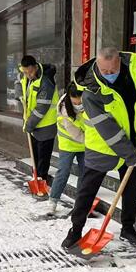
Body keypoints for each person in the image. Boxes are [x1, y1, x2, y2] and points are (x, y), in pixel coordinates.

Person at [61, 47, 136, 249]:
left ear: (119, 61)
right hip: (102, 146)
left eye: (113, 71)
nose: (109, 75)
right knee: (87, 191)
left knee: (130, 189)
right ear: (97, 66)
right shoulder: (90, 90)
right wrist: (129, 153)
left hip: (133, 140)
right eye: (105, 72)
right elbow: (107, 128)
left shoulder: (133, 65)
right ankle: (75, 230)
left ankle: (128, 228)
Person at [20, 55, 59, 189]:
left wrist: (29, 124)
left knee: (43, 155)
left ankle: (42, 179)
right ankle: (35, 176)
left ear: (36, 67)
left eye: (30, 72)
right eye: (25, 72)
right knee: (35, 153)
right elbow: (20, 84)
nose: (28, 75)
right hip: (33, 123)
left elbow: (41, 108)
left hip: (46, 125)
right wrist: (19, 95)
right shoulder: (27, 76)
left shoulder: (46, 82)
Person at [48, 82, 85, 215]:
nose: (78, 105)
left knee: (85, 173)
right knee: (63, 172)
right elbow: (76, 133)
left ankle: (80, 203)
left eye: (80, 102)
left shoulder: (89, 102)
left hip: (85, 143)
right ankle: (53, 201)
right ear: (69, 97)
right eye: (75, 103)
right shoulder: (64, 109)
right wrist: (93, 142)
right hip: (68, 144)